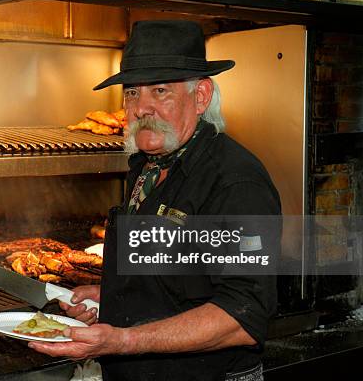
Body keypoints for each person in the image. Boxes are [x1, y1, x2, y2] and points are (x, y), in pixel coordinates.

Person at [28, 20, 281, 381]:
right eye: (132, 92)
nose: (141, 108)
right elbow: (177, 278)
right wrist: (111, 299)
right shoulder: (145, 170)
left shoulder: (235, 182)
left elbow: (240, 316)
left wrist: (124, 340)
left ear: (201, 96)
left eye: (160, 90)